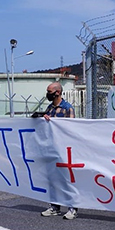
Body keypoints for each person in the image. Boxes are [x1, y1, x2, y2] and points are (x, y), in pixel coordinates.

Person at [38, 81, 79, 220]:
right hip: (52, 148)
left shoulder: (68, 108)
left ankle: (72, 207)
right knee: (53, 179)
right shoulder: (49, 108)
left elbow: (71, 128)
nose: (47, 94)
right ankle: (55, 207)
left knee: (67, 179)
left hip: (64, 150)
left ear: (57, 92)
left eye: (49, 92)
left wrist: (55, 122)